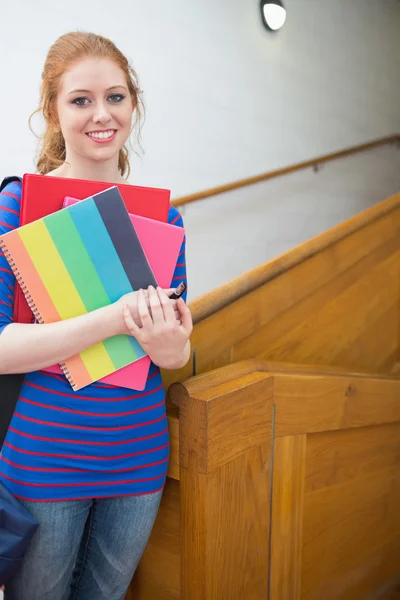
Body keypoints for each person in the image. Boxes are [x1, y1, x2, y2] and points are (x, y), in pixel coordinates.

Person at [0, 31, 191, 600]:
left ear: (133, 105)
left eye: (115, 97)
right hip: (43, 458)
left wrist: (168, 343)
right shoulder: (17, 205)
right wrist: (115, 318)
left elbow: (177, 354)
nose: (100, 114)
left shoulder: (165, 216)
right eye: (80, 99)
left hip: (138, 458)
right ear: (53, 113)